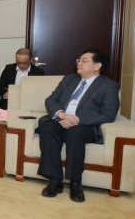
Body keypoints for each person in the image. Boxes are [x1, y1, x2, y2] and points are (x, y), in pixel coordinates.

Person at [38, 49, 120, 203]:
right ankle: (55, 181)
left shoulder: (109, 86)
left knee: (74, 133)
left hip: (84, 125)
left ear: (97, 66)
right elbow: (51, 100)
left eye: (84, 60)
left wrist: (77, 119)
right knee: (47, 128)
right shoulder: (69, 79)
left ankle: (76, 184)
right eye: (79, 60)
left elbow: (108, 114)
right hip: (61, 119)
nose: (79, 63)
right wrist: (62, 115)